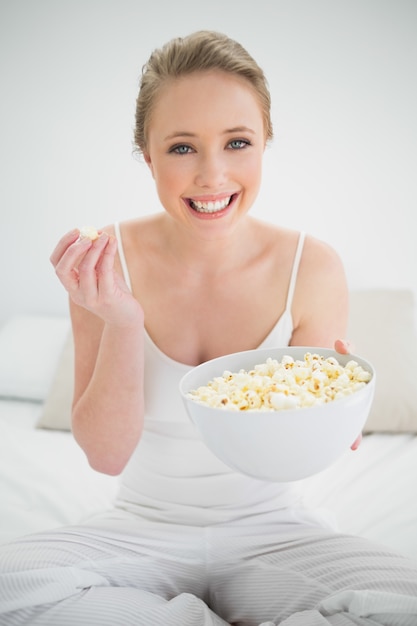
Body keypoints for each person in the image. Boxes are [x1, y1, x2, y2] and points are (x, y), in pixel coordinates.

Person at [1, 30, 417, 626]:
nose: (212, 175)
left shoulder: (311, 265)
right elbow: (105, 456)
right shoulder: (104, 259)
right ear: (148, 156)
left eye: (238, 142)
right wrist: (122, 319)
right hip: (140, 531)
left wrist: (333, 418)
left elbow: (303, 448)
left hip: (273, 535)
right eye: (182, 148)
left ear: (265, 144)